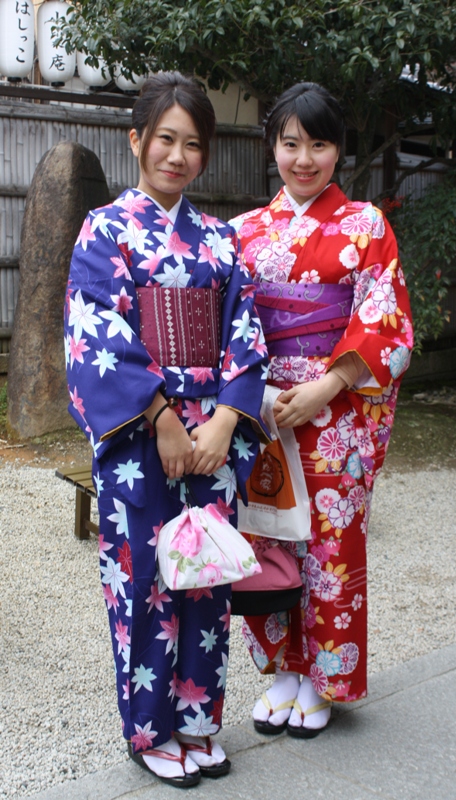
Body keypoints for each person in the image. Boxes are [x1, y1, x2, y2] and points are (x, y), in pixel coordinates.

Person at [65, 72, 268, 788]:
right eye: (164, 140)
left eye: (192, 145)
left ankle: (197, 718)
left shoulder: (218, 239)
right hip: (141, 439)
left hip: (210, 432)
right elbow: (97, 337)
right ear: (136, 141)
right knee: (145, 577)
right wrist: (159, 421)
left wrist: (222, 423)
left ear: (203, 154)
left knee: (207, 576)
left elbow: (245, 336)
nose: (177, 156)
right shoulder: (106, 230)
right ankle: (149, 727)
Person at [230, 82, 413, 738]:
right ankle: (281, 669)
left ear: (338, 149)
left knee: (329, 546)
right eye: (290, 143)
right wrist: (251, 392)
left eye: (319, 143)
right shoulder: (243, 234)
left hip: (334, 415)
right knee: (267, 538)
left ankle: (322, 679)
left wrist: (328, 385)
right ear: (271, 146)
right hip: (265, 410)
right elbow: (228, 328)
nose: (303, 158)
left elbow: (384, 322)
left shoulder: (364, 224)